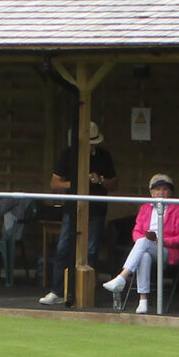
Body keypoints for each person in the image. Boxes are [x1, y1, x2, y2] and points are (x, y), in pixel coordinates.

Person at [39, 121, 115, 306]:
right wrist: (76, 183)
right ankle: (57, 291)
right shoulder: (68, 155)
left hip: (96, 209)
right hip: (72, 209)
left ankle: (88, 292)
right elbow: (54, 183)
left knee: (91, 251)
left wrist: (100, 180)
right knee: (63, 248)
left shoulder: (104, 156)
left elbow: (114, 183)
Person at [101, 174, 179, 314]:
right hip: (148, 247)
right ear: (151, 193)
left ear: (170, 193)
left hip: (167, 251)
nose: (161, 193)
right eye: (157, 189)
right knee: (144, 254)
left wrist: (162, 240)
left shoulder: (177, 210)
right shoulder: (145, 208)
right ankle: (143, 301)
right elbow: (136, 231)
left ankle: (122, 277)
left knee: (143, 242)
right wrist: (147, 240)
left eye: (164, 189)